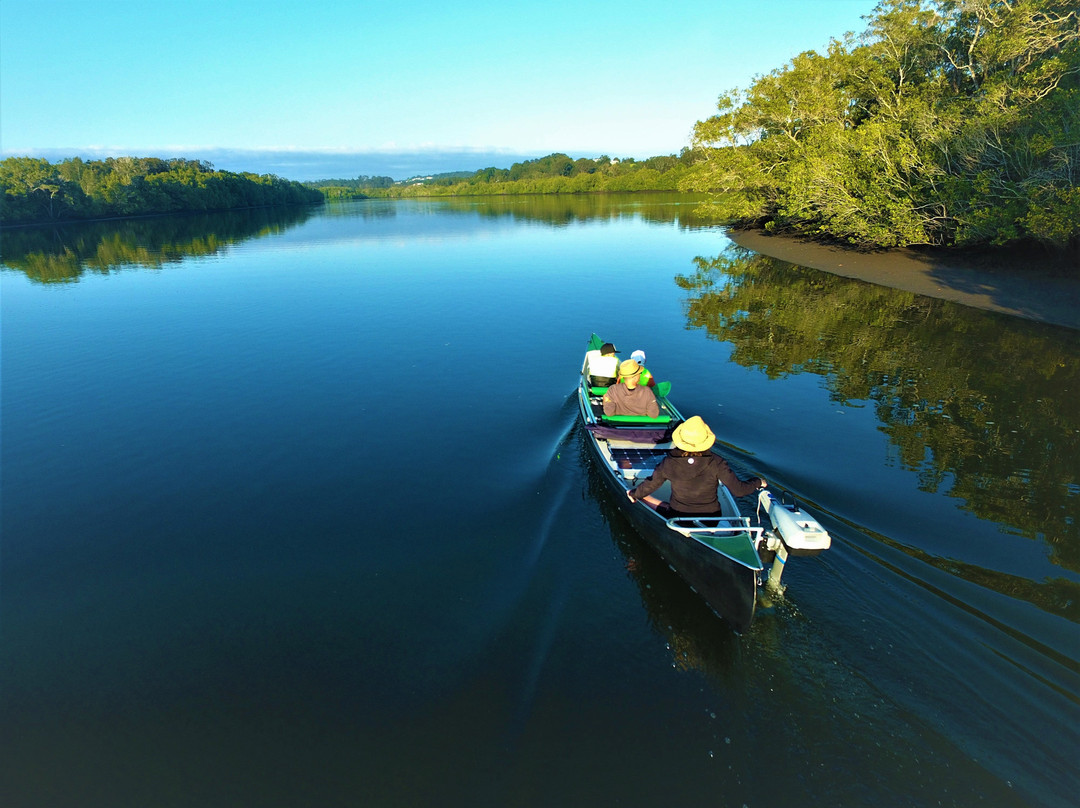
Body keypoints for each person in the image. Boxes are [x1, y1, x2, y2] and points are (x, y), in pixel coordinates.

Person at [627, 415, 766, 515]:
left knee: (643, 496)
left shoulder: (669, 462)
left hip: (678, 516)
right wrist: (758, 482)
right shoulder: (717, 462)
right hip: (711, 517)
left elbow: (651, 485)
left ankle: (633, 496)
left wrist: (634, 494)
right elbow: (739, 491)